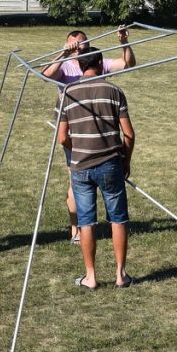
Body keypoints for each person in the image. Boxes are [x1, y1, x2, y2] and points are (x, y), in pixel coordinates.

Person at [41, 27, 136, 241]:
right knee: (75, 182)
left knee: (100, 181)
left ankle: (103, 225)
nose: (78, 47)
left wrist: (124, 43)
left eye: (82, 43)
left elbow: (128, 63)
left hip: (102, 132)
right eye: (73, 43)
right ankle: (76, 229)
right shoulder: (65, 66)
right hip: (75, 133)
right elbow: (45, 75)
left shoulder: (96, 62)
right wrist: (64, 53)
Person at [57, 48, 136, 289]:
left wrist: (78, 149)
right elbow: (129, 134)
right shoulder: (114, 91)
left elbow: (62, 137)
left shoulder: (67, 93)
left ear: (79, 65)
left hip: (80, 167)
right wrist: (126, 160)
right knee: (118, 219)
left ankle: (90, 277)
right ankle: (121, 275)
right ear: (100, 63)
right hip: (111, 164)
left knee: (86, 222)